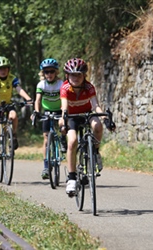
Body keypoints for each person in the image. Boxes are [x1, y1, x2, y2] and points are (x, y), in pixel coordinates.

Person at [59, 58, 115, 197]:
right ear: (67, 76)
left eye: (79, 75)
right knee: (72, 141)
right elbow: (64, 106)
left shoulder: (89, 87)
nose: (76, 78)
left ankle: (95, 153)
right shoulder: (65, 88)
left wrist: (105, 118)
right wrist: (64, 120)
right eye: (72, 75)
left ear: (84, 75)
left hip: (86, 114)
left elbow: (95, 105)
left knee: (98, 126)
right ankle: (71, 178)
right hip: (72, 116)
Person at [0, 56, 32, 171]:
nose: (3, 71)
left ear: (8, 69)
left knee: (14, 116)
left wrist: (28, 99)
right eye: (0, 69)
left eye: (5, 68)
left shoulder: (12, 78)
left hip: (8, 105)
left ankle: (13, 136)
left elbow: (19, 89)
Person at [32, 58, 67, 180]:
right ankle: (46, 166)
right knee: (46, 139)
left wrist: (64, 112)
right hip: (47, 111)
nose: (49, 74)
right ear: (43, 73)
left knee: (63, 127)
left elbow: (64, 99)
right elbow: (37, 100)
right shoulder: (41, 85)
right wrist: (36, 112)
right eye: (46, 72)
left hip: (59, 109)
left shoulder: (61, 84)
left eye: (52, 71)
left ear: (56, 72)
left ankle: (63, 139)